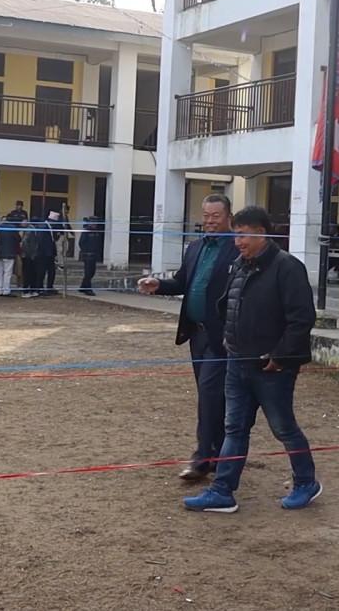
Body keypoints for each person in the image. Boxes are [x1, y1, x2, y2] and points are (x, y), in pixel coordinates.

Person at [182, 206, 319, 513]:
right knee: (234, 428)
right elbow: (227, 306)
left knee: (283, 427)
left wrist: (281, 356)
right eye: (236, 234)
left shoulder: (287, 268)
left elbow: (302, 319)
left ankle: (306, 482)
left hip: (272, 368)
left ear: (262, 233)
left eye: (243, 234)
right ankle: (222, 491)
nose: (237, 241)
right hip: (236, 363)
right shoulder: (239, 265)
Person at [138, 195, 237, 481]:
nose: (209, 221)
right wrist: (159, 285)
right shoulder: (195, 247)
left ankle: (202, 458)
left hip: (222, 337)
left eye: (215, 216)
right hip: (196, 335)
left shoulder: (237, 248)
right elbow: (183, 282)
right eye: (206, 215)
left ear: (228, 216)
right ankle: (219, 453)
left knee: (209, 395)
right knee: (211, 398)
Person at [0, 214, 20, 297]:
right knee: (7, 272)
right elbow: (18, 239)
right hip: (10, 252)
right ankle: (6, 290)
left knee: (0, 271)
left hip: (0, 252)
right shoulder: (13, 228)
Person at [33, 216, 58, 297]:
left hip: (50, 254)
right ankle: (39, 288)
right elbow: (41, 241)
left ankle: (49, 287)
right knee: (41, 272)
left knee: (52, 271)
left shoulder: (50, 227)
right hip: (43, 254)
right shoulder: (43, 227)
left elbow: (53, 240)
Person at [77, 217, 100, 296]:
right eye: (93, 223)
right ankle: (88, 289)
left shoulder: (96, 232)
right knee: (88, 272)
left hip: (94, 255)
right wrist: (85, 251)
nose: (95, 224)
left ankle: (83, 286)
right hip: (87, 255)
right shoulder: (86, 231)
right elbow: (81, 243)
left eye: (96, 223)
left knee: (92, 272)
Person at [20, 218, 41, 299]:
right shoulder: (30, 230)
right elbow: (25, 243)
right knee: (28, 273)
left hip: (31, 255)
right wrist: (30, 254)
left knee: (32, 273)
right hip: (28, 255)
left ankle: (32, 289)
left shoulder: (32, 230)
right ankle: (26, 290)